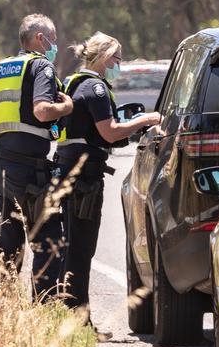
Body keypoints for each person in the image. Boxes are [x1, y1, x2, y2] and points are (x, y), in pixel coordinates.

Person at [55, 32, 160, 328]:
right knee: (82, 248)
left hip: (68, 170)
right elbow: (110, 132)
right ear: (103, 58)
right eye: (117, 58)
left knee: (71, 246)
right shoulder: (96, 88)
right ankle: (78, 320)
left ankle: (70, 315)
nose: (119, 64)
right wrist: (145, 120)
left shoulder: (74, 82)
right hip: (83, 179)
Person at [0, 13, 73, 300]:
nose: (55, 45)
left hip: (2, 170)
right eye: (53, 38)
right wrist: (66, 108)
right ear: (41, 38)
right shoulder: (42, 66)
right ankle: (45, 309)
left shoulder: (3, 68)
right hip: (32, 173)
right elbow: (42, 111)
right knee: (48, 241)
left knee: (9, 242)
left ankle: (0, 308)